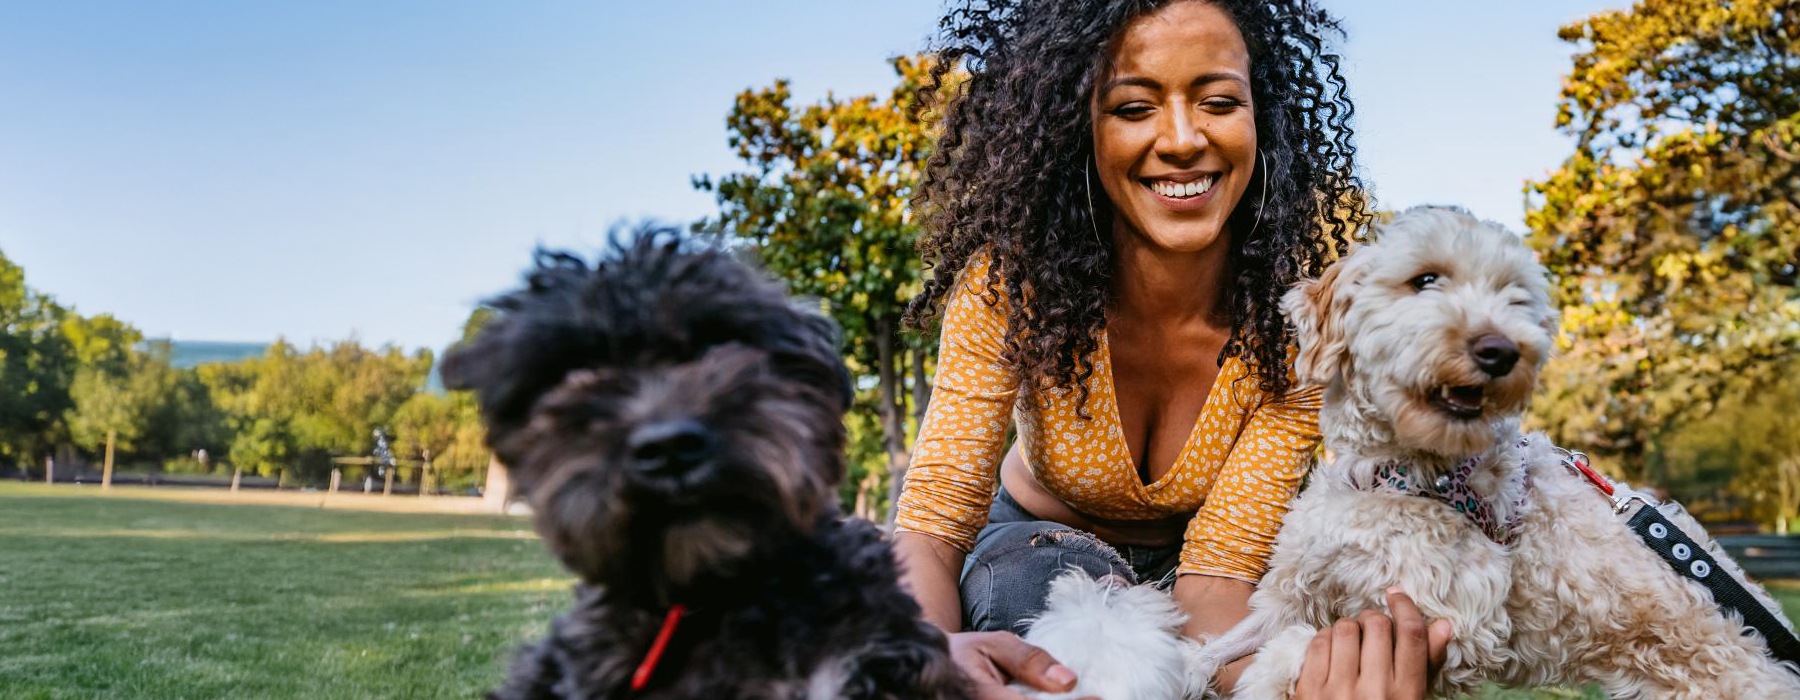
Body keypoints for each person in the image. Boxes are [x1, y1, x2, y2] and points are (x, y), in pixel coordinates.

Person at [891, 1, 1450, 697]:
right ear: (1078, 129)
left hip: (1203, 567)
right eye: (1132, 108)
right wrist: (927, 652)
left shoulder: (1293, 329)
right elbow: (935, 522)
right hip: (1031, 547)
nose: (1183, 139)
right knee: (1054, 621)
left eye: (1218, 101)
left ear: (1262, 119)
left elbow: (1215, 578)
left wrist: (1287, 684)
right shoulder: (1012, 288)